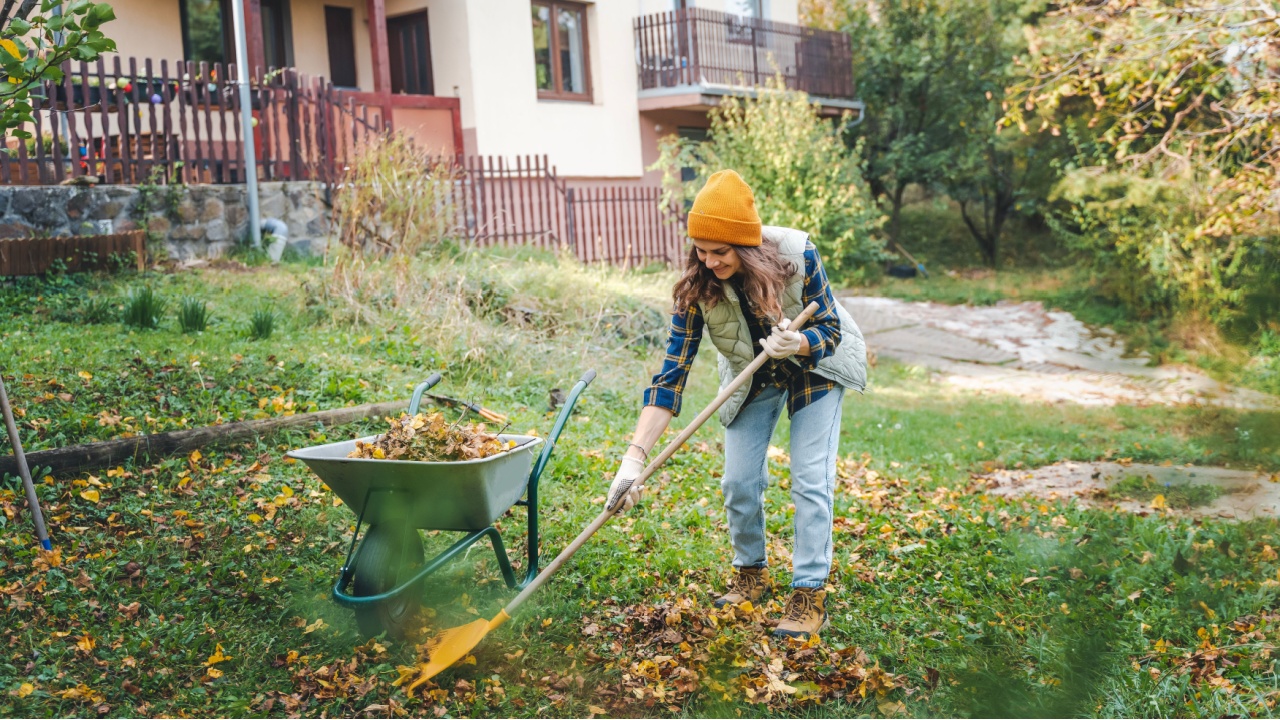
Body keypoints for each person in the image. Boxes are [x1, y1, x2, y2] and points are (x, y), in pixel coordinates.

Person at [608, 170, 867, 640]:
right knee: (738, 479)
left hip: (816, 366)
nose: (708, 262)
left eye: (720, 252)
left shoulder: (798, 253)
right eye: (701, 250)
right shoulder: (696, 288)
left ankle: (809, 593)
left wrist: (801, 342)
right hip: (753, 374)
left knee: (810, 478)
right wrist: (633, 458)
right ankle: (751, 573)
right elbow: (671, 377)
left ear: (745, 246)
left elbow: (830, 329)